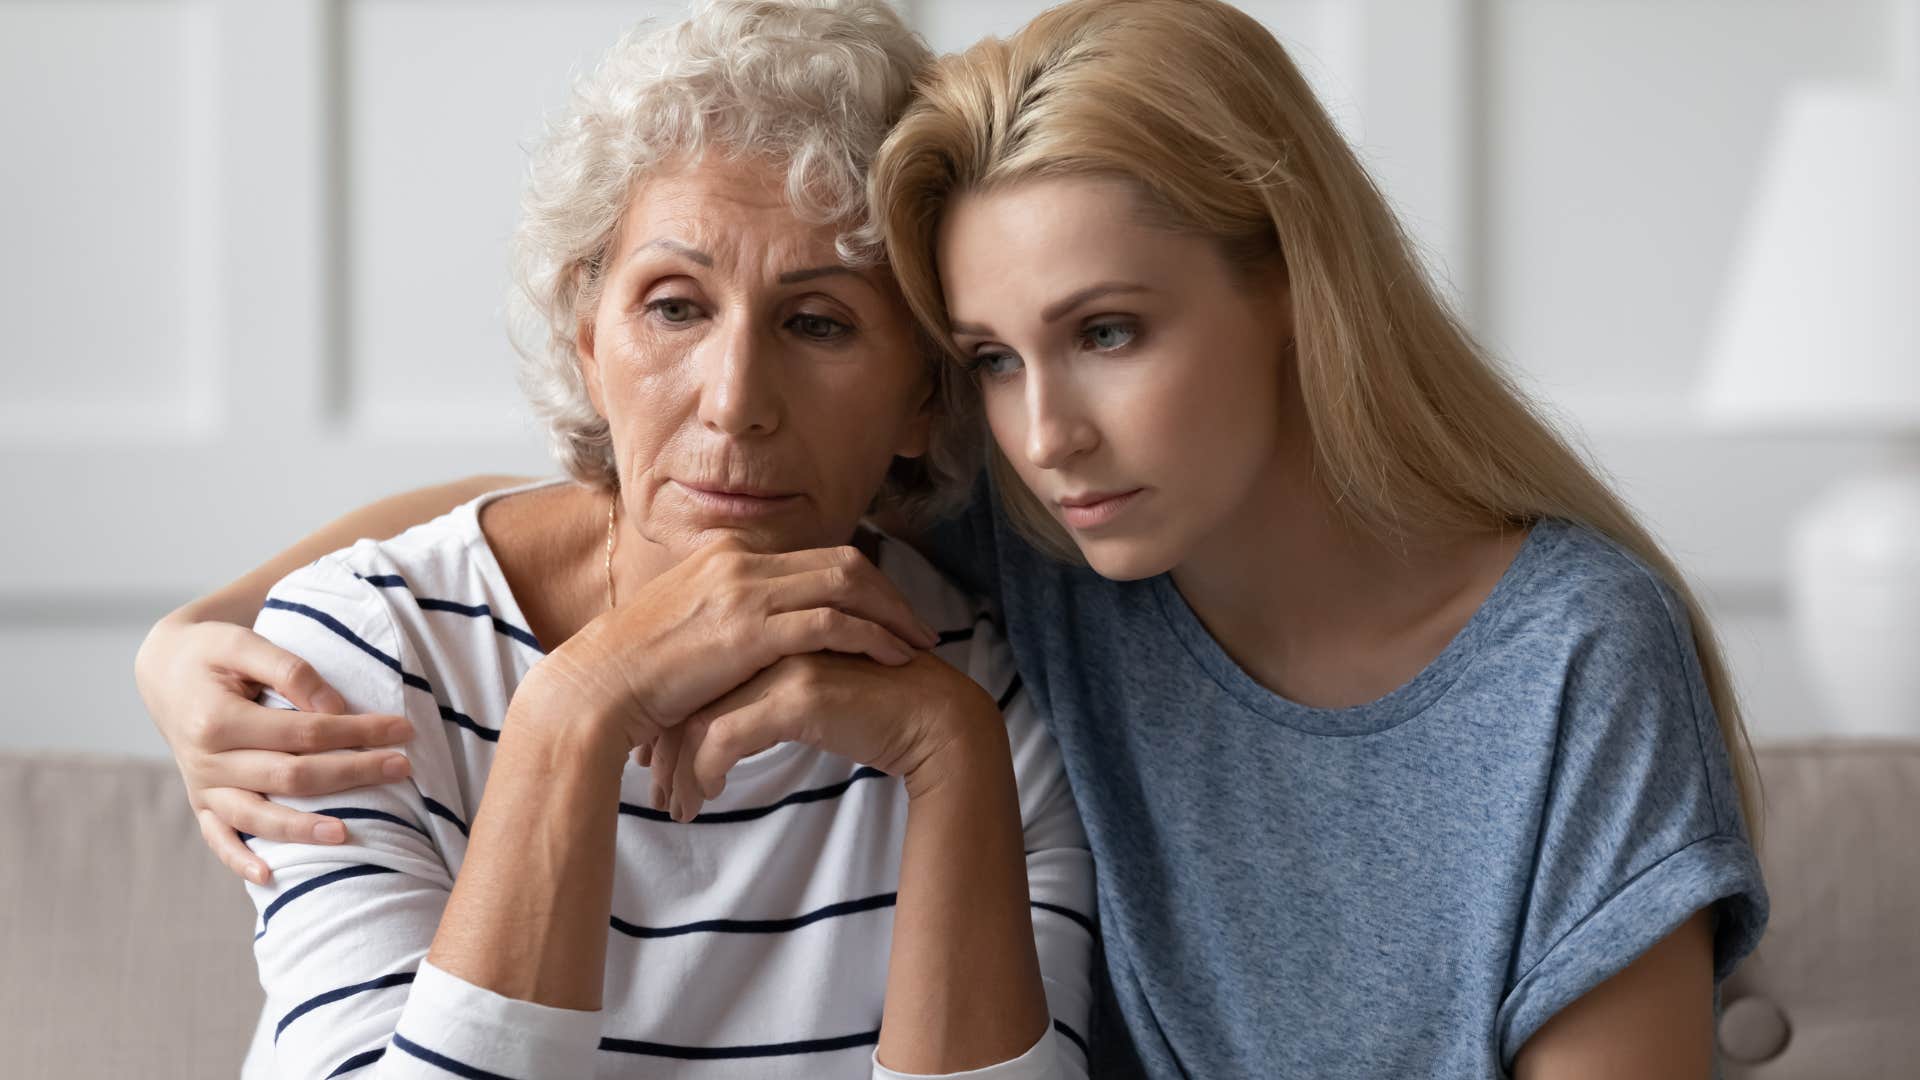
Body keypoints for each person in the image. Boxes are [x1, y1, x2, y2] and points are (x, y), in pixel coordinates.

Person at [138, 0, 1766, 1076]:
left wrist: (940, 743)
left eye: (1112, 330)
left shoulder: (1548, 655)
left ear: (1293, 291)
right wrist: (192, 636)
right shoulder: (1058, 537)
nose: (1046, 429)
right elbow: (634, 505)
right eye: (993, 356)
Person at [139, 2, 1095, 1076]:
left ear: (924, 395)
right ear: (588, 343)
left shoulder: (980, 702)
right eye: (676, 307)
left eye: (819, 323)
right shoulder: (369, 659)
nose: (734, 403)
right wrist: (573, 713)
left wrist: (948, 756)